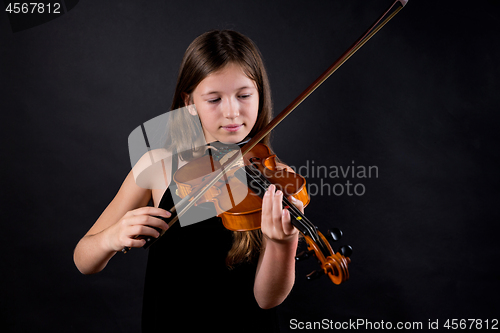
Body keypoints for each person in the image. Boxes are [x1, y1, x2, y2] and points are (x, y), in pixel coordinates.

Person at [73, 30, 305, 332]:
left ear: (260, 94)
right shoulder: (157, 167)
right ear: (189, 101)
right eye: (214, 99)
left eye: (244, 95)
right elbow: (83, 259)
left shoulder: (276, 179)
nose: (232, 111)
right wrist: (112, 237)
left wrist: (282, 243)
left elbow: (267, 299)